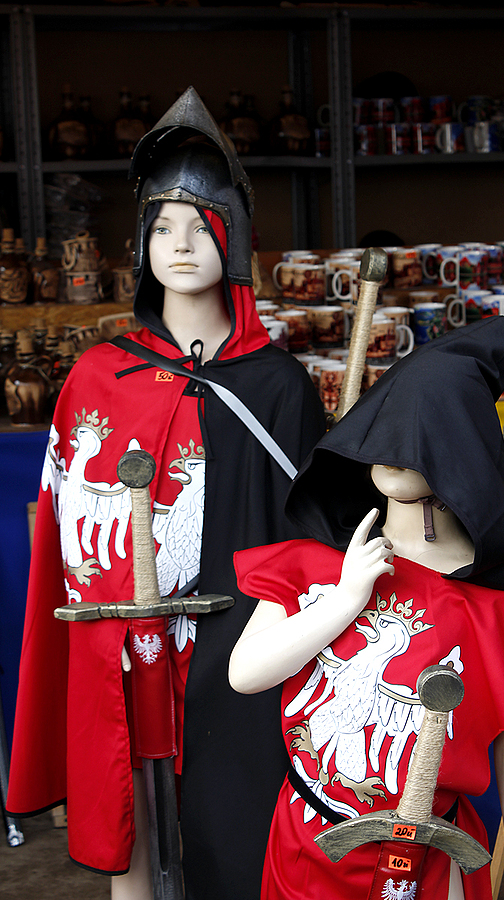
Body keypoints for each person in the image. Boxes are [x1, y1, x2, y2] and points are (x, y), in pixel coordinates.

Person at [7, 87, 325, 900]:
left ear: (235, 237)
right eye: (161, 226)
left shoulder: (279, 384)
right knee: (136, 844)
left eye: (201, 225)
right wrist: (109, 624)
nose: (180, 245)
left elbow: (306, 540)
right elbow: (68, 536)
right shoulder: (98, 376)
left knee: (243, 837)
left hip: (241, 656)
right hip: (126, 647)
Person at [229, 317, 504, 900]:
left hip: (427, 862)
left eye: (421, 431)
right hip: (304, 844)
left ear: (462, 447)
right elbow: (245, 674)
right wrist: (344, 599)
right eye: (386, 426)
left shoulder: (500, 610)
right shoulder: (312, 564)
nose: (394, 447)